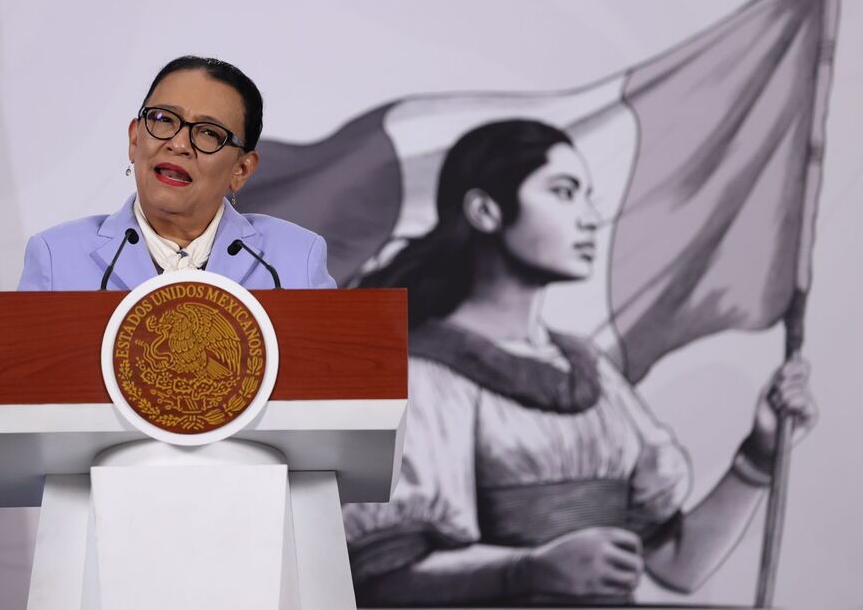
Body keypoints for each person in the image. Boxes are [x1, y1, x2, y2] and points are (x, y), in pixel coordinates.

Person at [343, 119, 817, 607]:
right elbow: (383, 580)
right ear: (486, 211)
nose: (590, 217)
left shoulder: (591, 371)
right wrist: (529, 570)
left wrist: (759, 456)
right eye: (564, 192)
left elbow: (676, 565)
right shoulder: (421, 374)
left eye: (587, 195)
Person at [18, 55, 335, 292]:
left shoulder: (294, 261)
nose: (179, 143)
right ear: (134, 139)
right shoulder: (56, 259)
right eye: (163, 119)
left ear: (241, 169)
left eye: (209, 133)